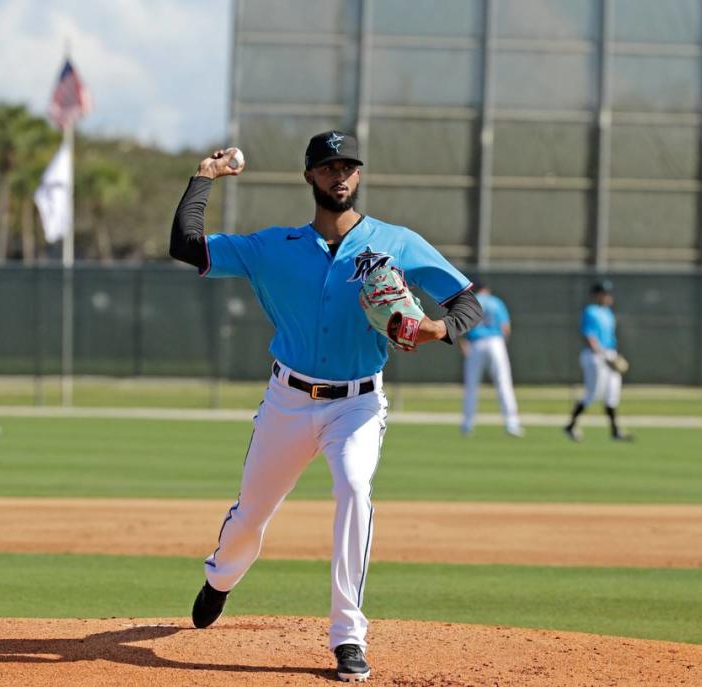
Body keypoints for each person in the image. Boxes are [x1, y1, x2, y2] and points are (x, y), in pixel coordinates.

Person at [169, 131, 482, 682]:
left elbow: (466, 301)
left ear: (358, 176)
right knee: (251, 514)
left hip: (358, 403)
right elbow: (186, 245)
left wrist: (439, 328)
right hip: (287, 400)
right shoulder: (273, 247)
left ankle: (348, 637)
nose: (340, 175)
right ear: (310, 176)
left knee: (355, 490)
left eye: (349, 166)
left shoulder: (395, 243)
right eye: (329, 166)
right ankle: (220, 578)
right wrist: (204, 177)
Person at [564, 280, 631, 442]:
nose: (608, 296)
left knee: (612, 393)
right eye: (604, 293)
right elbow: (590, 337)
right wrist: (602, 354)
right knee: (593, 394)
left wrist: (612, 355)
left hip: (609, 353)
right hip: (595, 356)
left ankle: (615, 431)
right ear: (597, 295)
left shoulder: (608, 312)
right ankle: (571, 425)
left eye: (608, 293)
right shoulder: (590, 311)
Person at [460, 282, 523, 437]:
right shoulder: (496, 301)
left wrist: (463, 344)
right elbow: (505, 327)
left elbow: (461, 326)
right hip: (495, 342)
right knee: (503, 383)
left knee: (471, 385)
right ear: (487, 289)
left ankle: (467, 424)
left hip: (475, 343)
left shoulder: (472, 302)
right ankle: (512, 423)